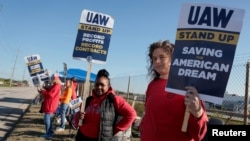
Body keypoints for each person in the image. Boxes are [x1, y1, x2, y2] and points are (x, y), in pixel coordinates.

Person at [139, 40, 208, 141]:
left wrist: (198, 114)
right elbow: (149, 115)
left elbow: (199, 134)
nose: (157, 61)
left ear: (173, 59)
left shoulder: (189, 87)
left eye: (162, 57)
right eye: (154, 58)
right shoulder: (152, 85)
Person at [74, 69, 137, 141]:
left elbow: (132, 114)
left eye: (102, 85)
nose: (99, 87)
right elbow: (77, 121)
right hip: (82, 136)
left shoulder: (114, 100)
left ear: (108, 86)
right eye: (97, 84)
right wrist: (78, 116)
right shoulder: (88, 100)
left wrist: (116, 129)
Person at [38, 73, 61, 139]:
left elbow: (50, 95)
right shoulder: (56, 85)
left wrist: (44, 91)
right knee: (48, 119)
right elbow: (50, 91)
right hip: (50, 104)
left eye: (52, 78)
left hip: (50, 105)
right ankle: (50, 132)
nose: (51, 80)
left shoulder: (56, 86)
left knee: (47, 120)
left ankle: (48, 134)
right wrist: (45, 89)